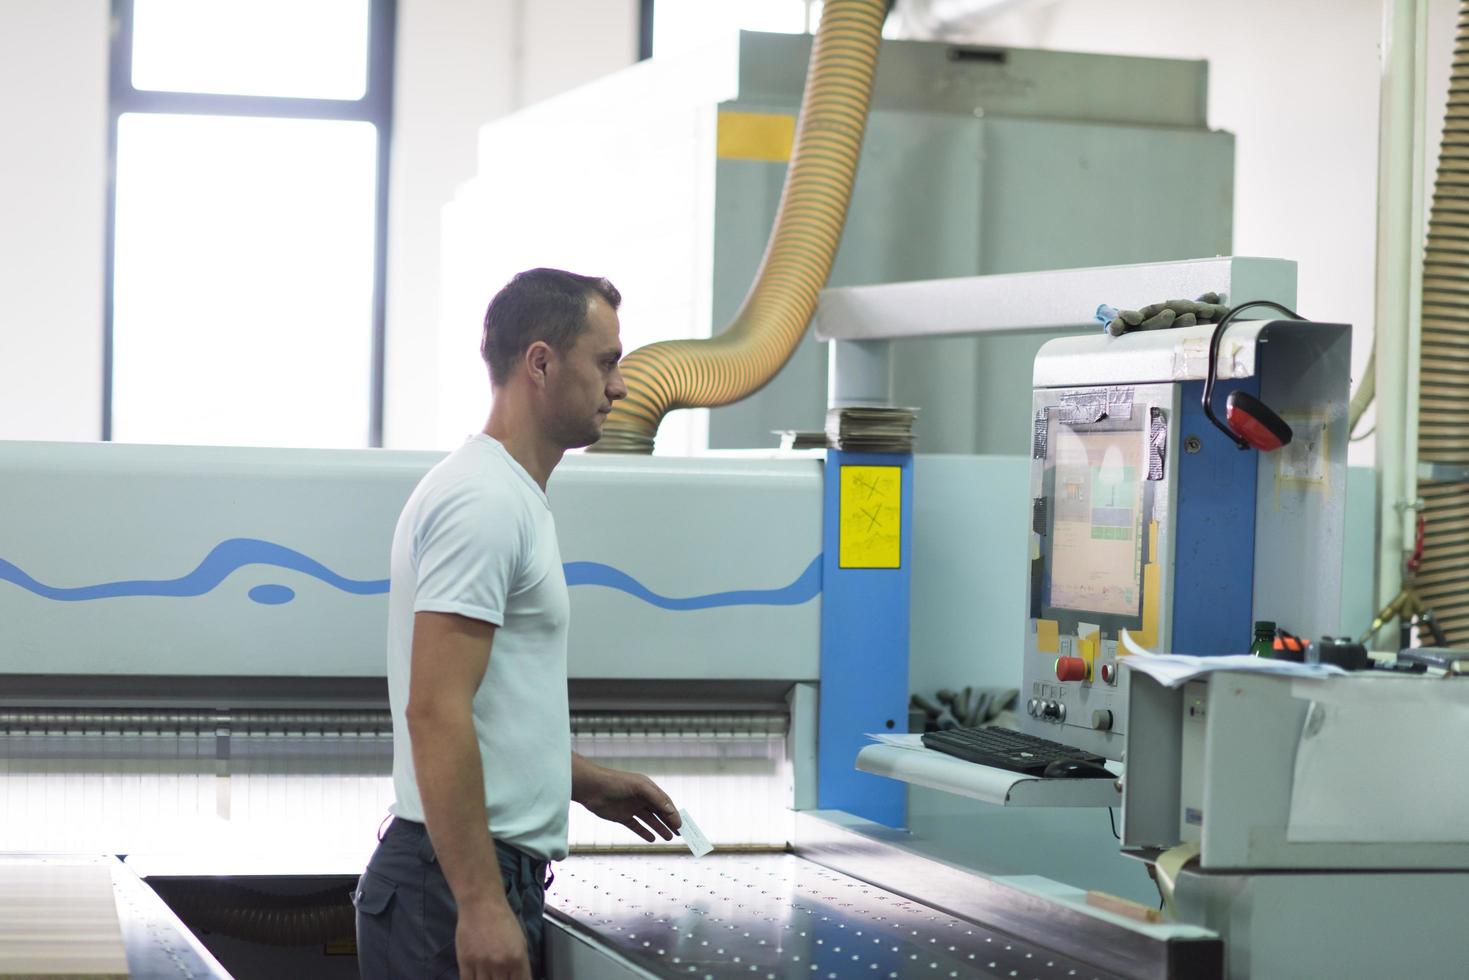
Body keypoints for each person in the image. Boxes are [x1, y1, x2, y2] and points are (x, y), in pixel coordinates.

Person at [354, 268, 682, 980]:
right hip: (448, 887)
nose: (620, 386)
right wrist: (478, 902)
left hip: (458, 875)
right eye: (605, 363)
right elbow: (436, 711)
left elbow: (483, 712)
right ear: (540, 362)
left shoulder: (506, 495)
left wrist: (579, 780)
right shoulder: (484, 503)